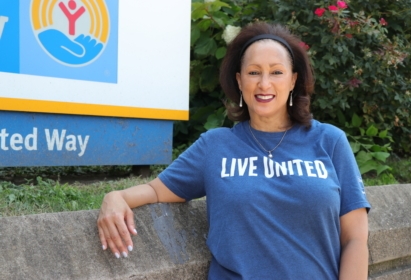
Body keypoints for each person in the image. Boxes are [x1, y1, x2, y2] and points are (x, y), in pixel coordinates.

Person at [97, 22, 370, 279]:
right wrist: (115, 196)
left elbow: (355, 238)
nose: (264, 83)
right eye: (254, 72)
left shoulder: (329, 141)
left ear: (293, 80)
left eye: (276, 72)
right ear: (240, 81)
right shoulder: (215, 145)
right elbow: (157, 190)